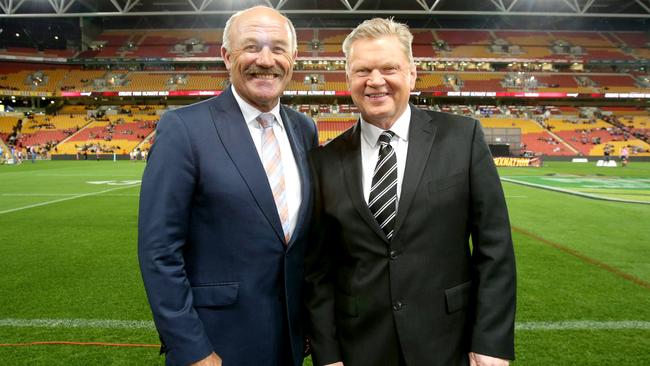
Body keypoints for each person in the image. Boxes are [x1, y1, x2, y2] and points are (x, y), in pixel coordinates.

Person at [304, 18, 516, 366]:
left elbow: (495, 249)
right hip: (360, 349)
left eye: (389, 68)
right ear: (348, 79)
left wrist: (491, 341)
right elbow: (318, 271)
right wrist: (327, 355)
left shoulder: (463, 138)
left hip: (449, 342)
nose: (375, 81)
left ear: (412, 73)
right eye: (362, 71)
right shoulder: (323, 162)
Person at [138, 6, 318, 366]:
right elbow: (159, 251)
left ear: (293, 59)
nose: (265, 60)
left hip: (290, 343)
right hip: (216, 345)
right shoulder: (184, 129)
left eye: (278, 49)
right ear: (226, 56)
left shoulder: (304, 128)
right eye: (251, 47)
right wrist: (193, 349)